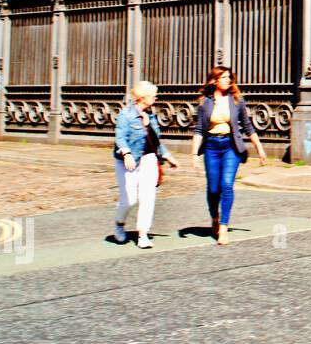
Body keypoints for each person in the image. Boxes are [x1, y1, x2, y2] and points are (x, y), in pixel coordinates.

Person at [191, 66, 268, 245]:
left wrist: (260, 149)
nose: (228, 80)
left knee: (227, 185)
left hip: (230, 147)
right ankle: (214, 217)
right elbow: (199, 130)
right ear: (215, 80)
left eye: (229, 77)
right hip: (211, 147)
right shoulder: (205, 102)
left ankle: (224, 227)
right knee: (213, 189)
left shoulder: (236, 100)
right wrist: (194, 154)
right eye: (224, 77)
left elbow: (248, 126)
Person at [113, 81, 179, 248]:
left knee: (148, 197)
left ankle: (143, 234)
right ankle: (119, 225)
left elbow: (155, 140)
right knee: (129, 200)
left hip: (148, 159)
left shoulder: (150, 115)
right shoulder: (126, 114)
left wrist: (167, 156)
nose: (156, 98)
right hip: (128, 161)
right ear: (143, 97)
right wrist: (126, 153)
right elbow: (120, 137)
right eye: (153, 95)